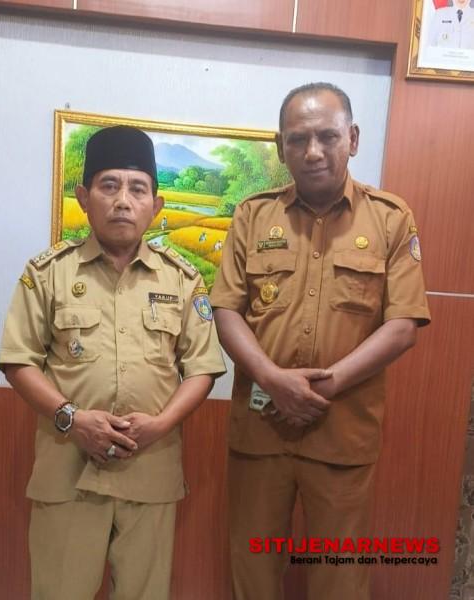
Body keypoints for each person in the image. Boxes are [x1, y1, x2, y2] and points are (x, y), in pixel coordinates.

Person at [210, 82, 431, 600]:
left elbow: (403, 324)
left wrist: (320, 387)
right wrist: (272, 379)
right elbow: (225, 310)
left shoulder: (390, 218)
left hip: (342, 433)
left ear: (352, 139)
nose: (312, 151)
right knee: (253, 569)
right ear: (280, 146)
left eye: (327, 136)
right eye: (297, 139)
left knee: (340, 577)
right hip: (261, 430)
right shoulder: (252, 216)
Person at [0, 125, 225, 600]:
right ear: (84, 198)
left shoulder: (182, 280)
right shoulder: (48, 274)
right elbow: (19, 360)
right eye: (109, 185)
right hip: (69, 471)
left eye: (137, 189)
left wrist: (161, 424)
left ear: (156, 205)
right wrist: (72, 419)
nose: (123, 200)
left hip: (150, 472)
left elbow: (202, 368)